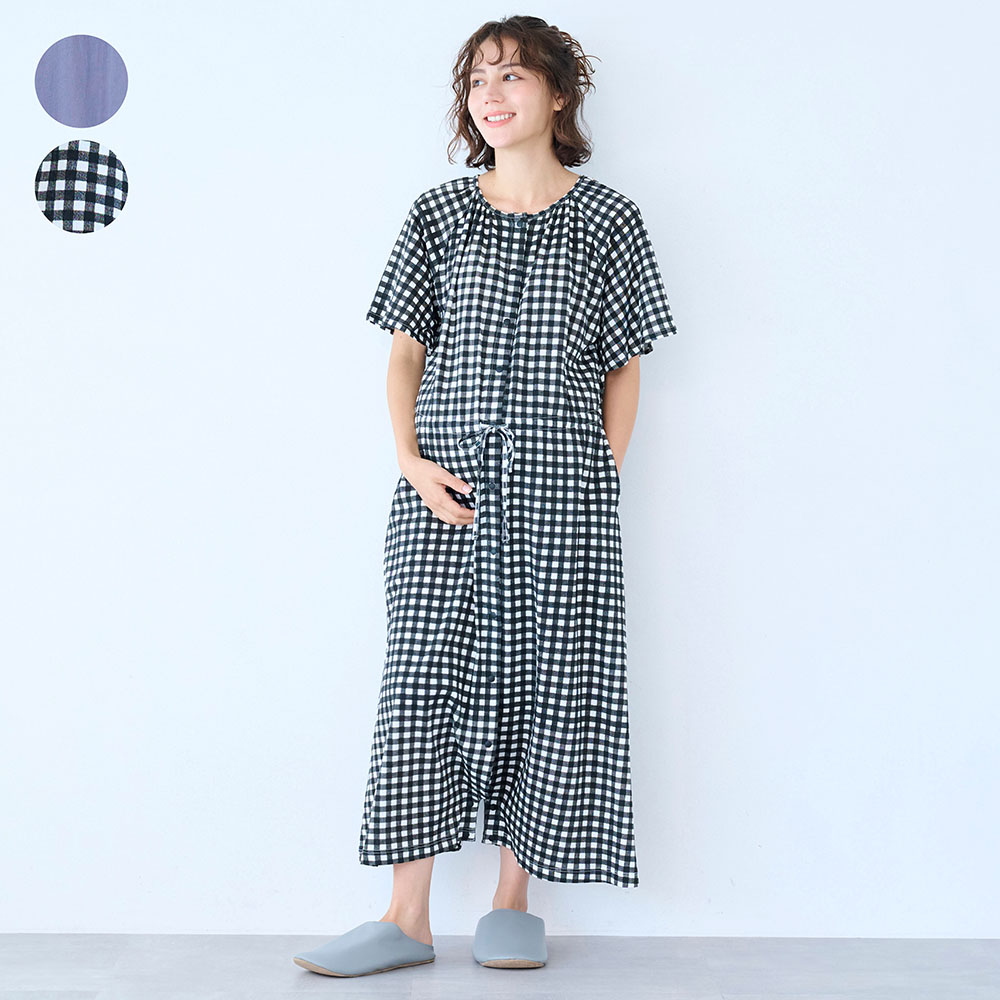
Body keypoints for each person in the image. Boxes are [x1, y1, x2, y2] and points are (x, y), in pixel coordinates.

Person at [293, 15, 679, 978]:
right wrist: (409, 459)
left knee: (553, 684)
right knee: (421, 686)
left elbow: (625, 366)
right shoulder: (437, 215)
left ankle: (514, 901)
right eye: (476, 81)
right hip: (443, 495)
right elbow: (405, 352)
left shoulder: (611, 221)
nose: (491, 94)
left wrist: (599, 476)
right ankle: (406, 917)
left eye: (512, 74)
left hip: (564, 496)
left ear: (558, 93)